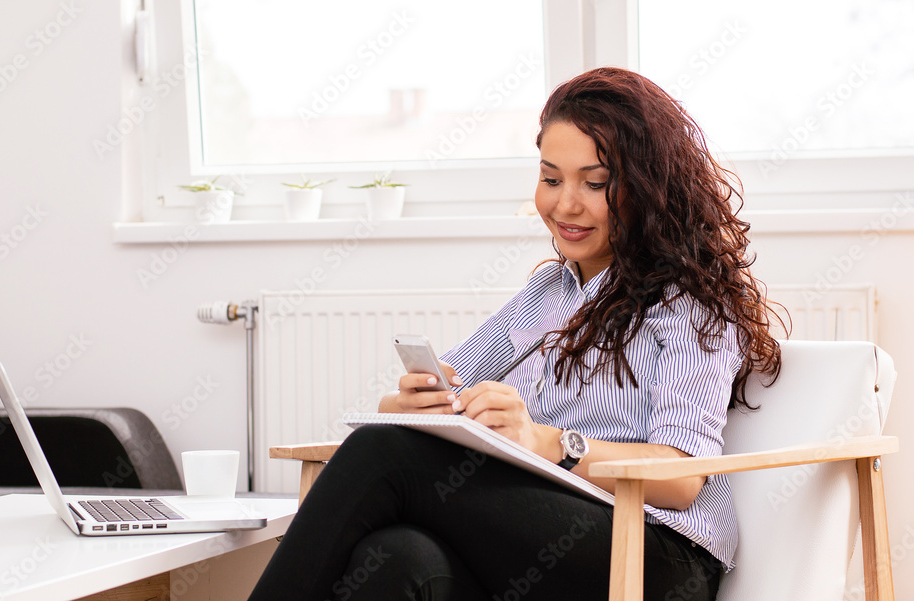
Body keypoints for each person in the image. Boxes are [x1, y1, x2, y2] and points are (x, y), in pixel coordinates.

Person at [247, 67, 783, 601]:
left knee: (382, 455)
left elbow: (681, 480)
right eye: (551, 179)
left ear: (649, 189)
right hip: (544, 537)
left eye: (595, 184)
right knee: (396, 557)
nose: (565, 205)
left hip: (657, 557)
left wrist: (550, 443)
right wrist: (414, 402)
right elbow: (446, 389)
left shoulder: (691, 301)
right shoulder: (546, 292)